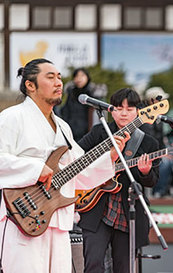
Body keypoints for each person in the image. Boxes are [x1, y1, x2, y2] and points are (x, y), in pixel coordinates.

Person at [0, 58, 129, 273]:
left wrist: (110, 157)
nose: (59, 83)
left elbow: (80, 170)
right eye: (50, 77)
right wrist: (34, 169)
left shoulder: (62, 127)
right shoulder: (11, 117)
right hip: (21, 215)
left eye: (59, 77)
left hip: (56, 217)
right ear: (30, 85)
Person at [78, 88, 160, 273]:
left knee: (124, 268)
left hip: (127, 211)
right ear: (110, 110)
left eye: (129, 108)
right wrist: (107, 159)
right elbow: (76, 156)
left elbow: (152, 181)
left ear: (138, 111)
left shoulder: (149, 143)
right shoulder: (100, 132)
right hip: (95, 207)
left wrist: (145, 172)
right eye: (118, 107)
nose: (123, 113)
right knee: (93, 263)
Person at [58, 68, 107, 141]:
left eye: (82, 76)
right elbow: (65, 112)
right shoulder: (71, 93)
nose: (79, 79)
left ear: (87, 77)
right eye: (76, 76)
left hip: (89, 134)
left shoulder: (94, 94)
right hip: (72, 133)